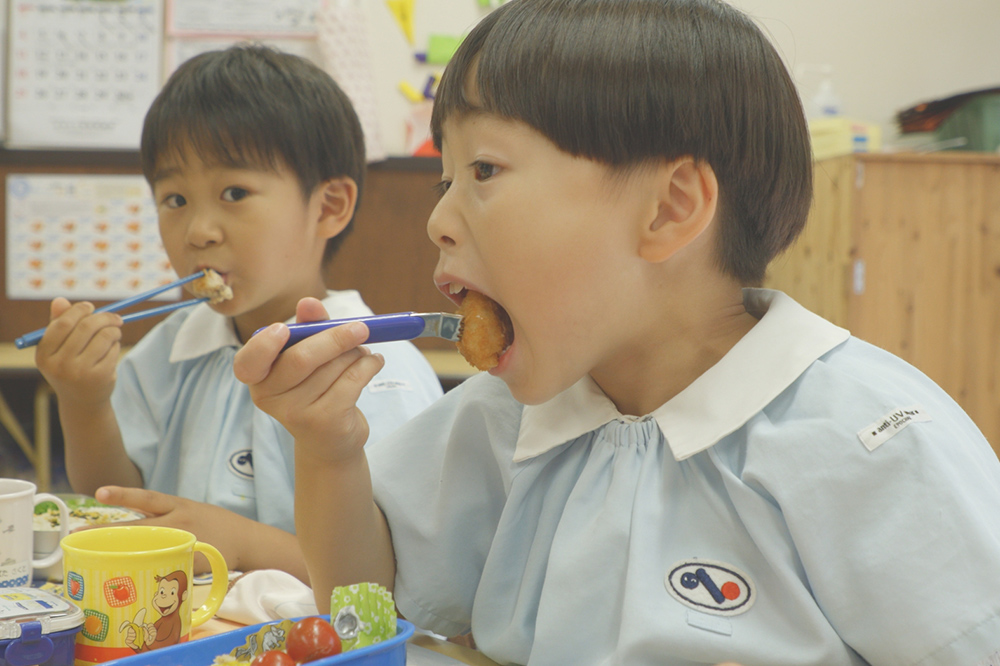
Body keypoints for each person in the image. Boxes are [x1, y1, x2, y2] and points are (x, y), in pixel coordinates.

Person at [233, 1, 1000, 663]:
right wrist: (329, 450)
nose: (437, 220)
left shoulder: (873, 440)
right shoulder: (508, 417)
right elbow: (366, 609)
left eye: (485, 172)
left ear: (668, 210)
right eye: (446, 180)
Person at [34, 45, 443, 582]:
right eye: (174, 200)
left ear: (328, 207)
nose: (199, 230)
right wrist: (83, 403)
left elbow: (407, 581)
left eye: (234, 192)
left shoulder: (376, 365)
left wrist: (241, 543)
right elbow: (115, 505)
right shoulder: (171, 348)